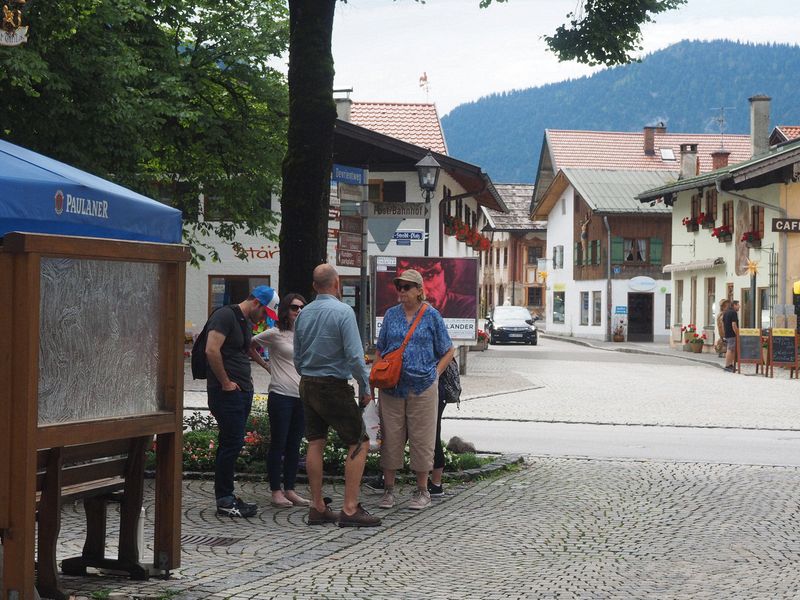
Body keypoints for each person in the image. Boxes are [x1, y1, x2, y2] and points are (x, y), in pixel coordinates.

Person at [294, 264, 381, 528]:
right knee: (359, 442)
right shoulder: (343, 312)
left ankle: (317, 506)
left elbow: (296, 357)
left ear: (313, 286)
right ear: (337, 283)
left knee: (315, 442)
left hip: (307, 383)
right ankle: (350, 509)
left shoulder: (303, 314)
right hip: (333, 385)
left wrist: (309, 372)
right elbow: (355, 357)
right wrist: (366, 388)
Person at [375, 269, 454, 511]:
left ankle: (423, 491)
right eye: (399, 286)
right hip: (392, 387)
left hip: (422, 386)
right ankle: (388, 491)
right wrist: (381, 369)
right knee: (391, 437)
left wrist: (434, 375)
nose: (401, 291)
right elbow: (381, 348)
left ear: (420, 290)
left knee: (422, 439)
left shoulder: (432, 316)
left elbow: (448, 350)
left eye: (407, 287)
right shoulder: (390, 315)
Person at [206, 285, 279, 518]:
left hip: (241, 391)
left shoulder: (244, 320)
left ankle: (227, 496)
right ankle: (225, 500)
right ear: (257, 302)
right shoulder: (225, 315)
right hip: (227, 393)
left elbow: (245, 348)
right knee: (231, 444)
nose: (265, 318)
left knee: (232, 444)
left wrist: (265, 365)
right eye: (265, 313)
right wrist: (226, 382)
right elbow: (211, 350)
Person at [251, 293, 309, 509]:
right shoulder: (275, 333)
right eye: (294, 308)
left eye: (302, 307)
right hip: (281, 394)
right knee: (279, 443)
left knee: (295, 444)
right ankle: (276, 490)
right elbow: (250, 344)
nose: (299, 311)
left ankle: (290, 489)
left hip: (301, 396)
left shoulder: (304, 334)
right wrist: (266, 365)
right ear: (285, 310)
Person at [395, 258, 475, 318]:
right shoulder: (391, 312)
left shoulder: (469, 308)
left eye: (429, 276)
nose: (424, 292)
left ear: (447, 277)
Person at [723, 300, 740, 372]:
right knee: (730, 349)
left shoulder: (726, 312)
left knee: (731, 349)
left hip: (727, 333)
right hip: (732, 334)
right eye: (738, 305)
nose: (739, 306)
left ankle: (730, 365)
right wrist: (737, 333)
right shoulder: (733, 313)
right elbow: (734, 324)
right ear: (734, 305)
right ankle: (727, 365)